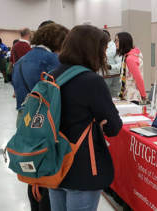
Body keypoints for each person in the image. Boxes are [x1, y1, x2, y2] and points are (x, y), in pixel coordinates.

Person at [47, 25, 122, 211]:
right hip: (82, 167)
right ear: (92, 49)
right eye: (103, 49)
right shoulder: (92, 81)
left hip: (54, 163)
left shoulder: (52, 75)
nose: (104, 55)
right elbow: (113, 126)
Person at [11, 23, 69, 211]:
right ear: (59, 42)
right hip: (45, 120)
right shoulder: (53, 60)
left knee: (31, 168)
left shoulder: (21, 60)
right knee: (48, 172)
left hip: (24, 118)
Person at [115, 32, 147, 102]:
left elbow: (138, 79)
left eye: (117, 40)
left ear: (124, 41)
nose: (115, 42)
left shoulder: (130, 58)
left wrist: (144, 96)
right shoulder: (127, 55)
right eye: (115, 40)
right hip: (128, 93)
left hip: (133, 96)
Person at [102, 30, 121, 97]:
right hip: (103, 78)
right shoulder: (102, 47)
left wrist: (109, 66)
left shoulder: (114, 47)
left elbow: (121, 65)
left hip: (113, 79)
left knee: (113, 100)